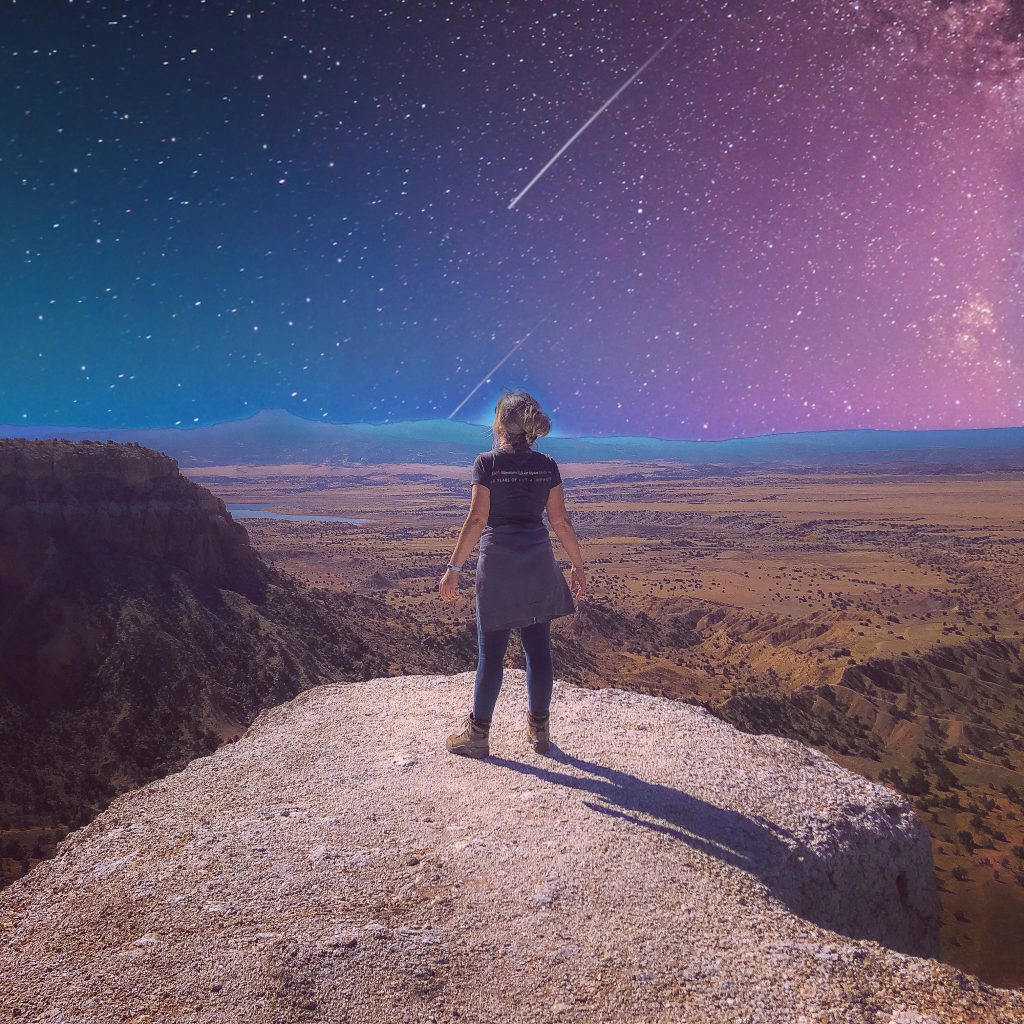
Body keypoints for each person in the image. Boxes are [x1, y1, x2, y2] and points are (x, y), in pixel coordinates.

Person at [438, 390, 586, 758]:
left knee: (491, 655)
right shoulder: (547, 465)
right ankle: (539, 733)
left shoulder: (486, 464)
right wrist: (578, 564)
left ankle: (478, 737)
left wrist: (453, 569)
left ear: (501, 424)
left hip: (499, 567)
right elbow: (560, 521)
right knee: (538, 651)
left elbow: (476, 520)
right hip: (538, 565)